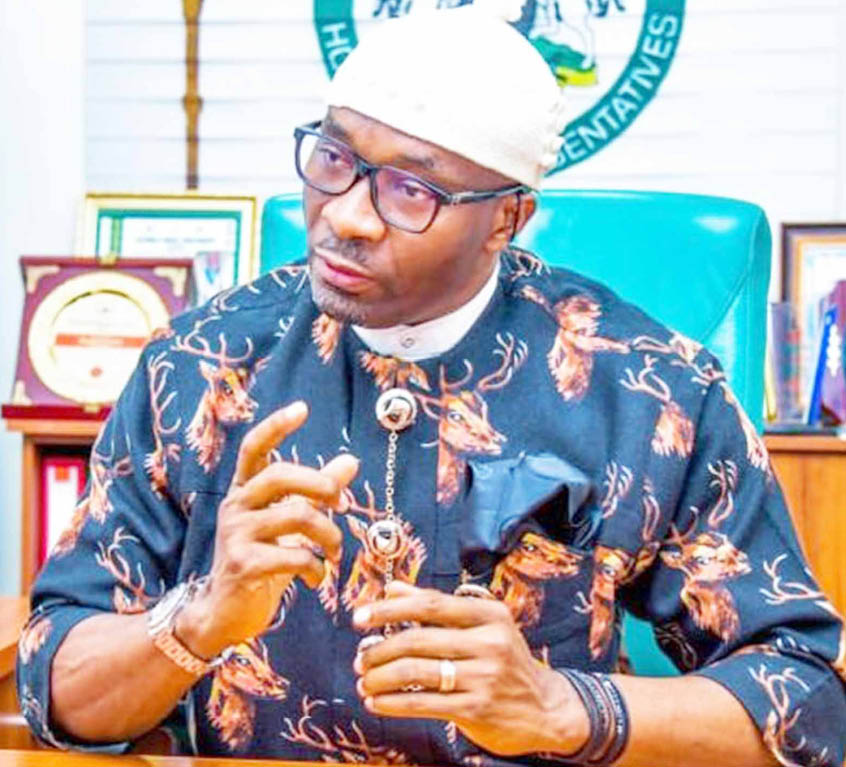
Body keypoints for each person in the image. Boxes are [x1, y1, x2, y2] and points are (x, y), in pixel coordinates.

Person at [17, 4, 846, 766]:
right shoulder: (199, 363)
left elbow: (808, 698)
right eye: (334, 158)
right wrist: (197, 618)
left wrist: (563, 706)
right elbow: (55, 684)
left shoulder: (645, 387)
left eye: (411, 189)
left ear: (507, 220)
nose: (346, 214)